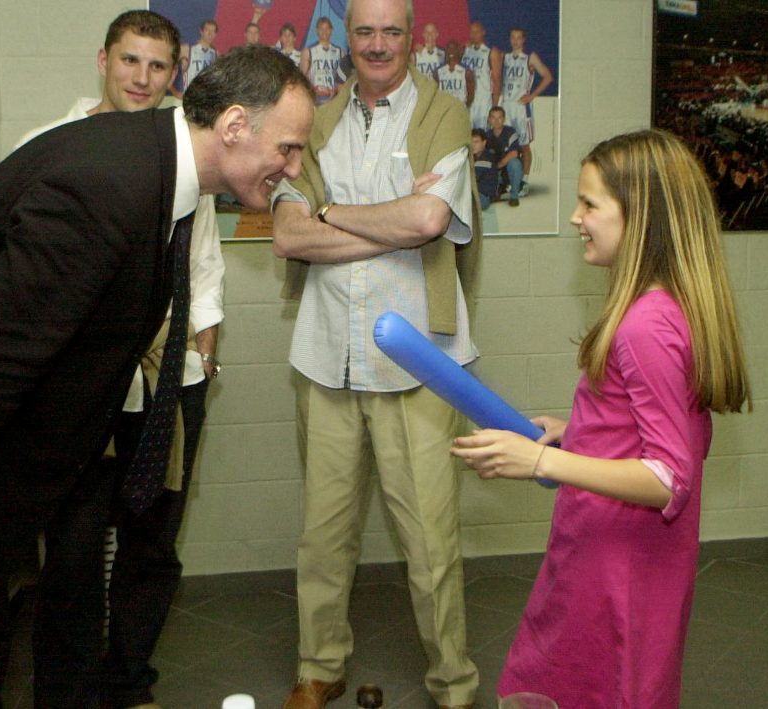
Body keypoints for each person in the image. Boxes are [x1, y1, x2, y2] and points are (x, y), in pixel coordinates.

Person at [0, 45, 314, 708]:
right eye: (288, 148)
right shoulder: (105, 187)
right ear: (232, 126)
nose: (294, 168)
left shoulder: (157, 163)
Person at [451, 129, 752, 708]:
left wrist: (543, 458)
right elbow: (656, 427)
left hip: (620, 564)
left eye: (590, 204)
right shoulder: (663, 307)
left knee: (596, 686)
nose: (574, 217)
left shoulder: (645, 326)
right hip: (621, 551)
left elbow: (669, 476)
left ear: (639, 218)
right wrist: (581, 431)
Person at [271, 0, 482, 706]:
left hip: (416, 359)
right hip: (327, 351)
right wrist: (389, 223)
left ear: (412, 37)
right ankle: (319, 666)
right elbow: (290, 236)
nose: (379, 44)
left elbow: (430, 219)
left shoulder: (442, 116)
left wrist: (330, 213)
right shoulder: (316, 122)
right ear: (347, 39)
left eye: (392, 30)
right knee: (323, 534)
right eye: (365, 31)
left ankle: (453, 682)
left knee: (430, 540)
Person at [13, 11, 225, 708]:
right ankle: (67, 695)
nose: (142, 78)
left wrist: (204, 336)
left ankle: (128, 678)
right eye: (130, 61)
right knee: (72, 554)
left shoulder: (186, 152)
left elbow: (201, 255)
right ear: (102, 60)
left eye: (158, 66)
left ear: (176, 73)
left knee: (152, 542)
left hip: (168, 372)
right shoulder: (49, 145)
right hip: (79, 379)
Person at [501, 27, 552, 197]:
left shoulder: (530, 57)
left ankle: (524, 181)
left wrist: (532, 96)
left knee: (524, 146)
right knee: (507, 145)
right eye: (512, 37)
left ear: (524, 40)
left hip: (521, 108)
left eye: (519, 38)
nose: (515, 41)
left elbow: (547, 76)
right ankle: (509, 181)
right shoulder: (505, 57)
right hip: (506, 106)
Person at [460, 21, 501, 130]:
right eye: (472, 32)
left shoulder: (491, 52)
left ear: (483, 32)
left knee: (483, 136)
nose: (474, 34)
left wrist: (495, 106)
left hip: (483, 102)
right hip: (467, 101)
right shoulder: (465, 50)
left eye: (477, 31)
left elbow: (497, 81)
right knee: (466, 136)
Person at [300, 16, 343, 105]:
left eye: (327, 28)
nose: (324, 32)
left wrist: (336, 92)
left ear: (331, 30)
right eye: (321, 29)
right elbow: (302, 79)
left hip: (334, 98)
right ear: (317, 31)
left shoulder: (340, 52)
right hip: (316, 99)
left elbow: (343, 79)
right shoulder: (308, 51)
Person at [486, 106, 522, 206]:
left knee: (515, 163)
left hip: (508, 170)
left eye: (499, 117)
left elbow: (514, 153)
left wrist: (497, 166)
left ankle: (514, 196)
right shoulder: (486, 136)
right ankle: (497, 189)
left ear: (504, 119)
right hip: (495, 171)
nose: (496, 121)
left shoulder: (510, 132)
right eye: (493, 117)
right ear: (489, 119)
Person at [436, 40, 474, 108]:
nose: (451, 51)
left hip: (459, 110)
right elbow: (435, 93)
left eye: (454, 48)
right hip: (444, 110)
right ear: (445, 51)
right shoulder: (438, 71)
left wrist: (464, 106)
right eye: (449, 48)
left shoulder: (467, 71)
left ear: (458, 51)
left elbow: (471, 94)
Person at [184, 19, 219, 88]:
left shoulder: (216, 54)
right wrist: (174, 90)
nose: (210, 34)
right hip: (191, 94)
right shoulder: (187, 49)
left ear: (215, 34)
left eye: (213, 31)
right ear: (201, 31)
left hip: (207, 95)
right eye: (207, 30)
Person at [470, 128, 497, 210]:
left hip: (483, 198)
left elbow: (471, 179)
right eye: (471, 142)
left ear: (484, 143)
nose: (473, 145)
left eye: (476, 142)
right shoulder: (475, 156)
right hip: (476, 195)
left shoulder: (486, 158)